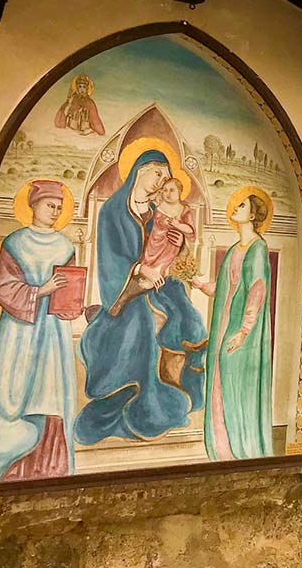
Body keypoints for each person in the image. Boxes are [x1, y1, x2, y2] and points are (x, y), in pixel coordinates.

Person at [74, 144, 207, 445]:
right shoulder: (113, 209)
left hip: (161, 285)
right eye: (158, 173)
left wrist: (180, 245)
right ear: (140, 171)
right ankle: (135, 403)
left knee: (189, 319)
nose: (162, 181)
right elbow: (111, 258)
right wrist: (140, 276)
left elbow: (173, 253)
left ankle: (179, 389)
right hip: (127, 292)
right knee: (144, 324)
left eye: (167, 176)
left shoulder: (157, 212)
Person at [0, 179, 78, 482]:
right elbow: (1, 287)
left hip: (52, 334)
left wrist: (73, 303)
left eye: (59, 207)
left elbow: (69, 290)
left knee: (50, 391)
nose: (55, 212)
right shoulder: (15, 243)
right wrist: (40, 290)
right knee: (12, 392)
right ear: (34, 205)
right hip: (19, 331)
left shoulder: (65, 246)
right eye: (50, 205)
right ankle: (9, 463)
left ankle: (47, 464)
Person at [193, 190, 273, 460]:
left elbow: (257, 290)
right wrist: (201, 284)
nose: (235, 207)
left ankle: (241, 447)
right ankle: (222, 449)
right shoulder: (233, 249)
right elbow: (226, 287)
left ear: (252, 215)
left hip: (240, 333)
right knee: (218, 380)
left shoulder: (257, 249)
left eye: (242, 205)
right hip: (224, 326)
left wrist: (243, 331)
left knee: (235, 385)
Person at [108, 177, 195, 317]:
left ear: (180, 192)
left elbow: (191, 231)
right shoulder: (155, 208)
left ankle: (148, 284)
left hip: (169, 248)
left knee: (162, 269)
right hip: (153, 244)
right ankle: (127, 295)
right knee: (147, 264)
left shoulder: (183, 210)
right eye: (164, 190)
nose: (167, 193)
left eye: (172, 190)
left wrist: (180, 235)